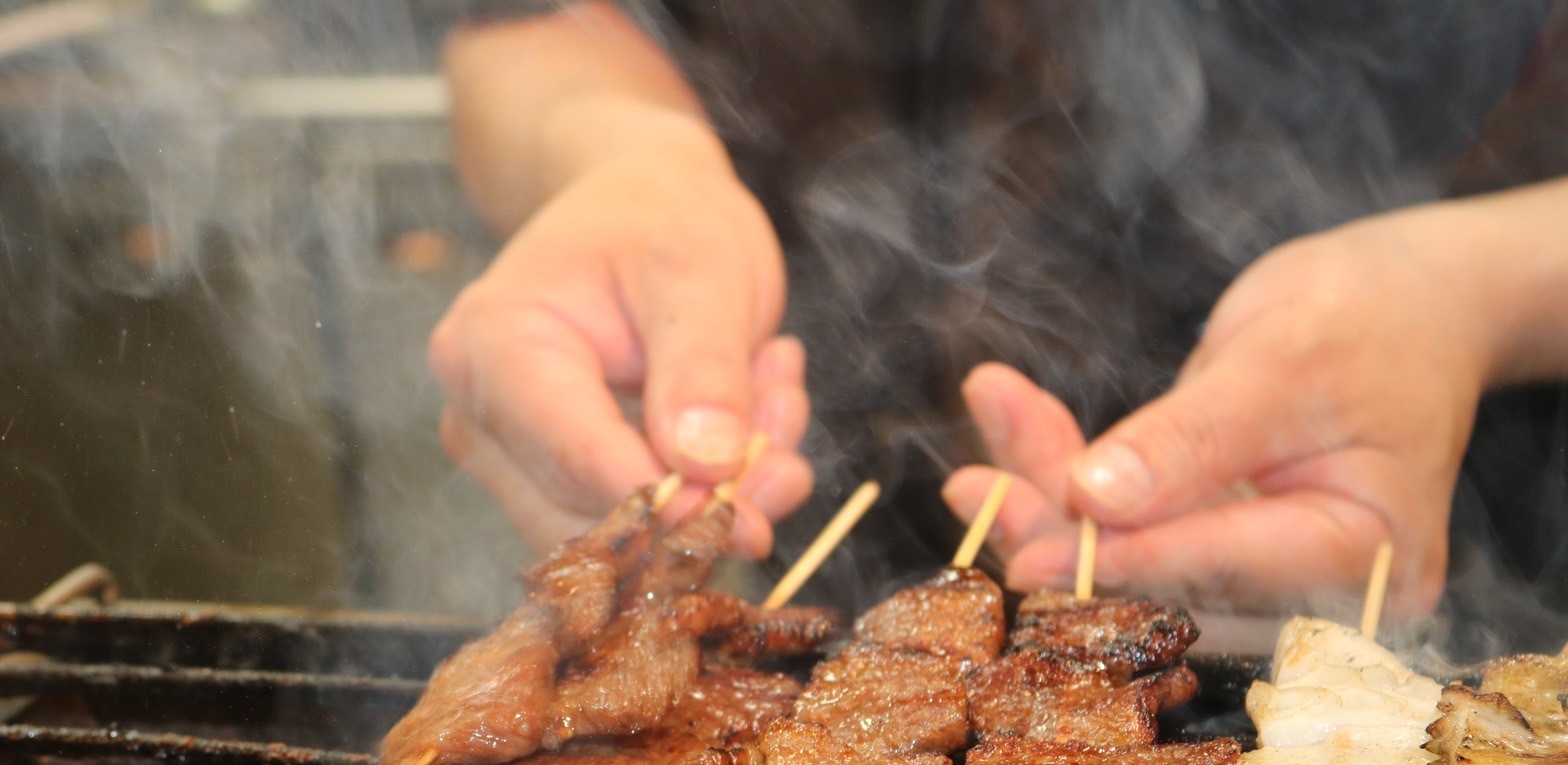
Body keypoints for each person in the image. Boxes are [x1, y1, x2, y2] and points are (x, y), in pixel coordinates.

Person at [427, 0, 1568, 632]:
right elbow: (523, 24)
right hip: (821, 562)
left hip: (1446, 539)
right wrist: (623, 156)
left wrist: (1464, 289)